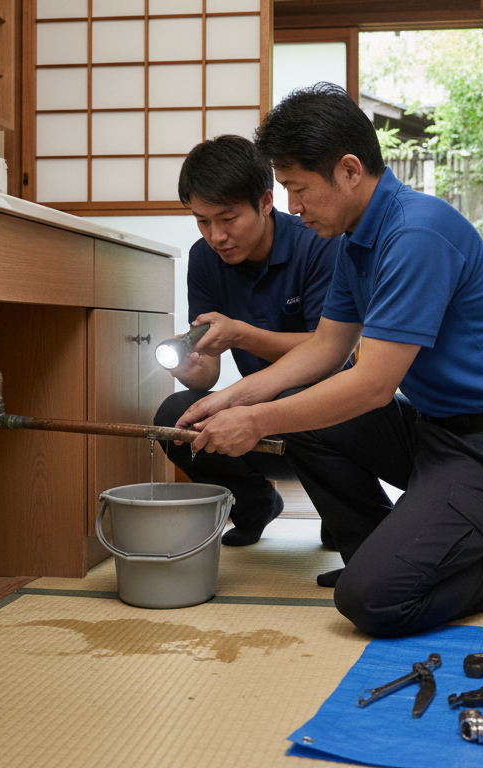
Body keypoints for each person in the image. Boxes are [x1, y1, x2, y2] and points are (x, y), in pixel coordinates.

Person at [176, 83, 483, 638]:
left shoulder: (415, 233)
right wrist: (227, 399)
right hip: (439, 434)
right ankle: (392, 549)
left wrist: (254, 421)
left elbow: (372, 386)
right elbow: (325, 349)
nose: (292, 206)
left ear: (350, 170)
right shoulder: (358, 239)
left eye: (298, 188)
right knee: (301, 414)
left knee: (372, 602)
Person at [154, 135, 342, 548]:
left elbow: (329, 350)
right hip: (254, 408)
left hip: (326, 409)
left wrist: (241, 333)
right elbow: (207, 373)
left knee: (344, 540)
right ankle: (255, 505)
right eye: (203, 221)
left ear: (265, 202)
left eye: (227, 218)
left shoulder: (316, 243)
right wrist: (190, 367)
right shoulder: (204, 258)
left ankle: (340, 508)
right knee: (176, 416)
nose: (216, 235)